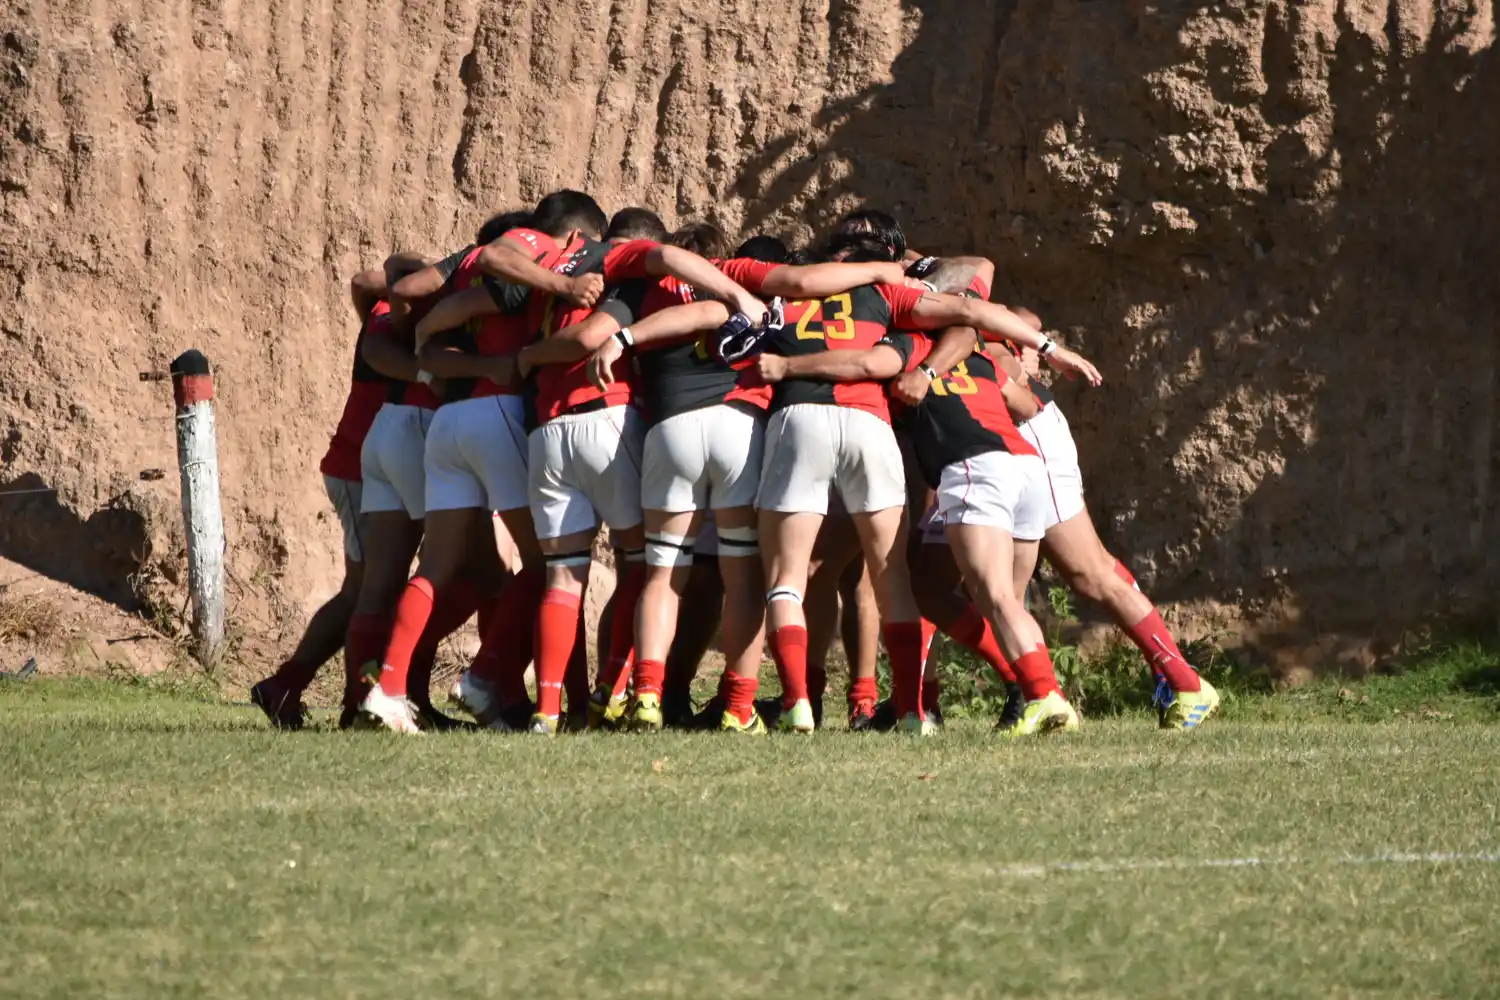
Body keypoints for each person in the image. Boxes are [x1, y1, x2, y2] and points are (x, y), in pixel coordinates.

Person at [729, 238, 1100, 733]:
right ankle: (911, 709)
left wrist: (787, 366)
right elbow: (970, 316)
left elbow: (962, 309)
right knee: (898, 581)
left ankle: (797, 702)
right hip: (885, 431)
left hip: (810, 420)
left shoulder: (778, 296)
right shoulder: (891, 300)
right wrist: (1047, 349)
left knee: (789, 578)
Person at [250, 263, 414, 729]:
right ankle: (334, 696)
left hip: (360, 467)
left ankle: (294, 686)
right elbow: (363, 280)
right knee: (365, 590)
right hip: (361, 471)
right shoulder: (389, 317)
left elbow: (364, 284)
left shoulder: (389, 315)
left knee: (365, 588)